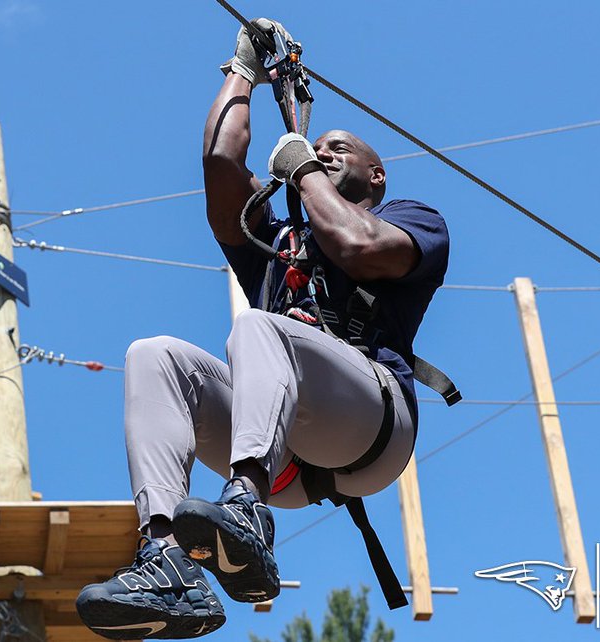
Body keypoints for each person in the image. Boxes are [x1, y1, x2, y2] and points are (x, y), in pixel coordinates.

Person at [76, 18, 449, 640]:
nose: (324, 152)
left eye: (340, 149)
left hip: (372, 428)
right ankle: (163, 558)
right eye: (318, 146)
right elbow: (221, 164)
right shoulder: (277, 243)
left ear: (376, 176)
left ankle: (245, 508)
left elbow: (358, 246)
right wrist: (242, 71)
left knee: (259, 327)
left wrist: (302, 169)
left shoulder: (414, 220)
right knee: (155, 356)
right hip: (291, 456)